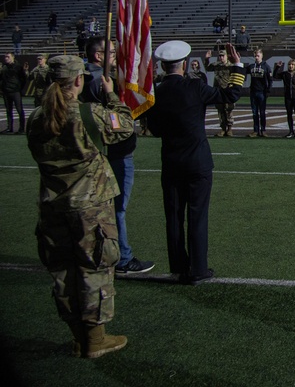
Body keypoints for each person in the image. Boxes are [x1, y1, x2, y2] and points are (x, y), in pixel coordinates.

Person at [26, 55, 135, 358]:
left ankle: (77, 336)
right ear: (78, 80)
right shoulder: (87, 114)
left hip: (51, 206)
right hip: (90, 208)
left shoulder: (36, 118)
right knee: (94, 269)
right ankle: (95, 338)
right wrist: (111, 94)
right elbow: (125, 126)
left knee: (63, 272)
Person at [144, 41, 246, 286]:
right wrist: (238, 66)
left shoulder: (155, 93)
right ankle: (198, 268)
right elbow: (230, 94)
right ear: (185, 64)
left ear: (163, 66)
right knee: (197, 216)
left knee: (174, 217)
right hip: (197, 163)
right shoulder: (195, 86)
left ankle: (178, 267)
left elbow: (155, 129)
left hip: (170, 163)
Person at [80, 37, 154, 276]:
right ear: (98, 56)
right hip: (114, 152)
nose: (117, 55)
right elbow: (117, 123)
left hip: (104, 152)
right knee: (116, 208)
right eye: (111, 52)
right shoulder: (98, 83)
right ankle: (122, 257)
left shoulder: (91, 79)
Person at [204, 49, 236, 137]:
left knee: (228, 109)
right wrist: (207, 60)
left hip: (227, 90)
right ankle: (223, 128)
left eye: (223, 56)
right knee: (220, 110)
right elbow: (208, 68)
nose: (221, 57)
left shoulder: (230, 66)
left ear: (226, 56)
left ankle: (229, 128)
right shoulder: (216, 65)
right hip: (218, 90)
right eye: (220, 56)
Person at [273, 59, 295, 137]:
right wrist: (277, 67)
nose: (291, 66)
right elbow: (275, 76)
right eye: (289, 64)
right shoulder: (285, 74)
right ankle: (291, 131)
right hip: (288, 97)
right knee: (289, 114)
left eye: (292, 64)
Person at [246, 48, 272, 137]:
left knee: (262, 112)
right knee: (254, 112)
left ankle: (263, 130)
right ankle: (255, 130)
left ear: (262, 56)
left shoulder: (266, 66)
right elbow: (243, 71)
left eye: (258, 55)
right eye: (255, 56)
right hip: (253, 92)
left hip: (262, 92)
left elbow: (270, 80)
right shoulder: (251, 66)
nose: (256, 57)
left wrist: (268, 90)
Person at [1, 52, 27, 133]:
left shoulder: (18, 67)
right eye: (5, 57)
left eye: (8, 57)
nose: (6, 58)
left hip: (15, 91)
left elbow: (23, 79)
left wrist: (19, 88)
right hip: (6, 91)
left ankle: (22, 128)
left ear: (13, 57)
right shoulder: (4, 67)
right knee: (8, 110)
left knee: (19, 110)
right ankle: (9, 128)